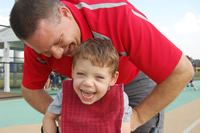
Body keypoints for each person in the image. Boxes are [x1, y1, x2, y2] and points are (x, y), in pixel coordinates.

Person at [10, 0, 194, 132]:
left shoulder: (118, 15)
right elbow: (31, 89)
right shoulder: (38, 45)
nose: (57, 54)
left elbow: (181, 72)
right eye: (47, 51)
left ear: (65, 13)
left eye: (59, 41)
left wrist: (136, 118)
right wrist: (64, 115)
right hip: (83, 84)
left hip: (133, 77)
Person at [43, 38, 132, 133]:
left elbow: (125, 126)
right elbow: (49, 117)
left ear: (113, 79)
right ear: (73, 71)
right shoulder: (65, 95)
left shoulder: (119, 98)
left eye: (99, 77)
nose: (88, 83)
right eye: (81, 74)